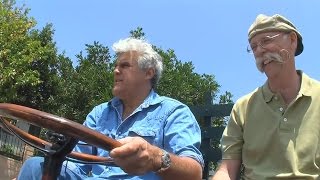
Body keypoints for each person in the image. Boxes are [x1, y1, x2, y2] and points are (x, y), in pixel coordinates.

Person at [18, 37, 204, 180]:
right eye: (115, 66)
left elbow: (194, 172)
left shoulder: (173, 112)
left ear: (149, 73)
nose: (115, 71)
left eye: (124, 65)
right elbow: (78, 164)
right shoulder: (99, 113)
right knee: (35, 166)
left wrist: (155, 157)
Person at [212, 14, 320, 179]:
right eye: (253, 47)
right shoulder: (243, 107)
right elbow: (227, 169)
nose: (259, 51)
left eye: (266, 40)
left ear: (292, 40)